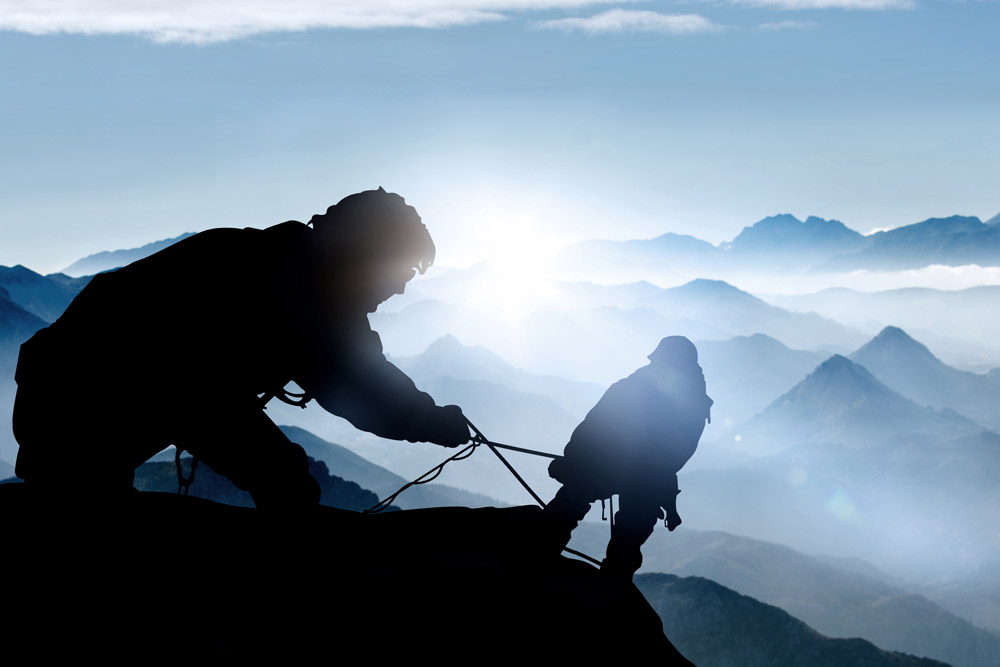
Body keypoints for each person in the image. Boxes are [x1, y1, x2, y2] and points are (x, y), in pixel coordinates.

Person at [12, 188, 470, 508]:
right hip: (83, 399)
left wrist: (429, 418)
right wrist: (433, 422)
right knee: (284, 481)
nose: (400, 290)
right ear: (367, 256)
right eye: (402, 273)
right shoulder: (300, 290)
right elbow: (360, 386)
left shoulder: (276, 261)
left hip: (60, 387)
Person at [543, 336, 712, 580]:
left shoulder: (635, 386)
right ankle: (612, 587)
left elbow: (595, 425)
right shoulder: (693, 401)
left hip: (616, 466)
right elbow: (678, 452)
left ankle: (539, 556)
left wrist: (575, 460)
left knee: (570, 504)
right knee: (628, 538)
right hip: (647, 478)